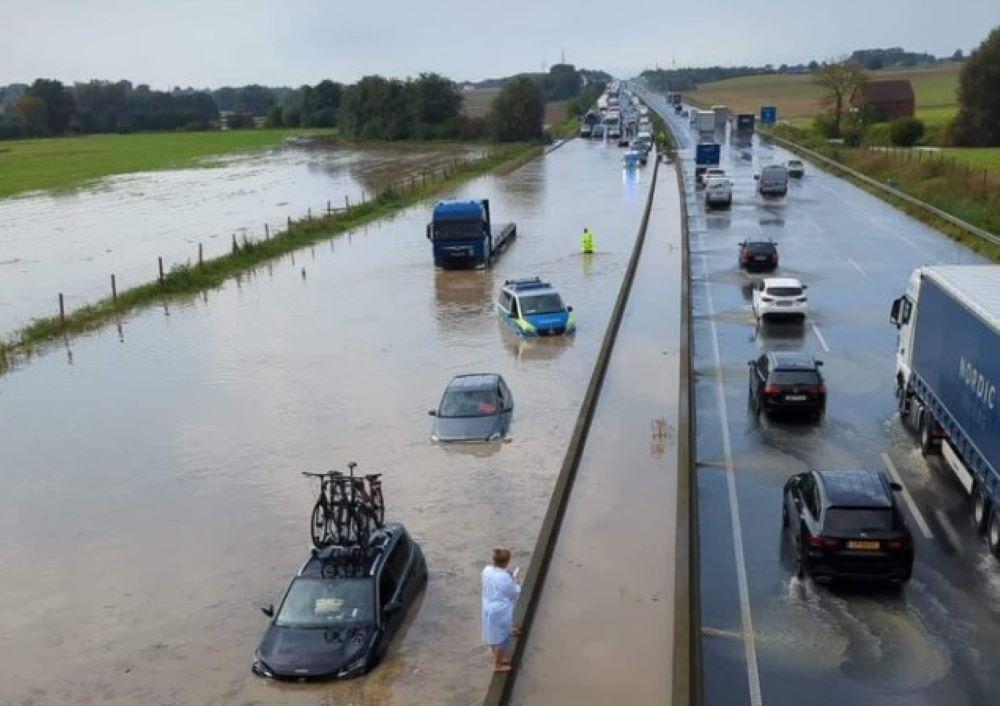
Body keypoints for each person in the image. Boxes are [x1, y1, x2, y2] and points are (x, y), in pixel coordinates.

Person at [481, 546, 522, 672]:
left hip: (487, 606)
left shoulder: (486, 570)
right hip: (500, 610)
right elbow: (513, 593)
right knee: (502, 639)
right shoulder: (503, 578)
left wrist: (507, 575)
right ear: (506, 561)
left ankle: (498, 658)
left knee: (492, 633)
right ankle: (498, 665)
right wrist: (516, 581)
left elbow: (494, 581)